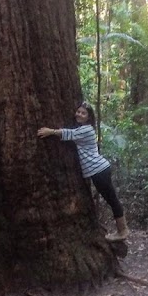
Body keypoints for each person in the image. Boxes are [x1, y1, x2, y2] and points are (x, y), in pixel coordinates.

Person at [38, 101, 128, 241]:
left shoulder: (86, 130)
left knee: (112, 200)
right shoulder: (84, 128)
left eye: (83, 113)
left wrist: (51, 131)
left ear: (88, 117)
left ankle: (122, 231)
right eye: (78, 112)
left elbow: (70, 133)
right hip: (99, 170)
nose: (79, 114)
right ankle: (122, 230)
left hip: (99, 171)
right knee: (111, 199)